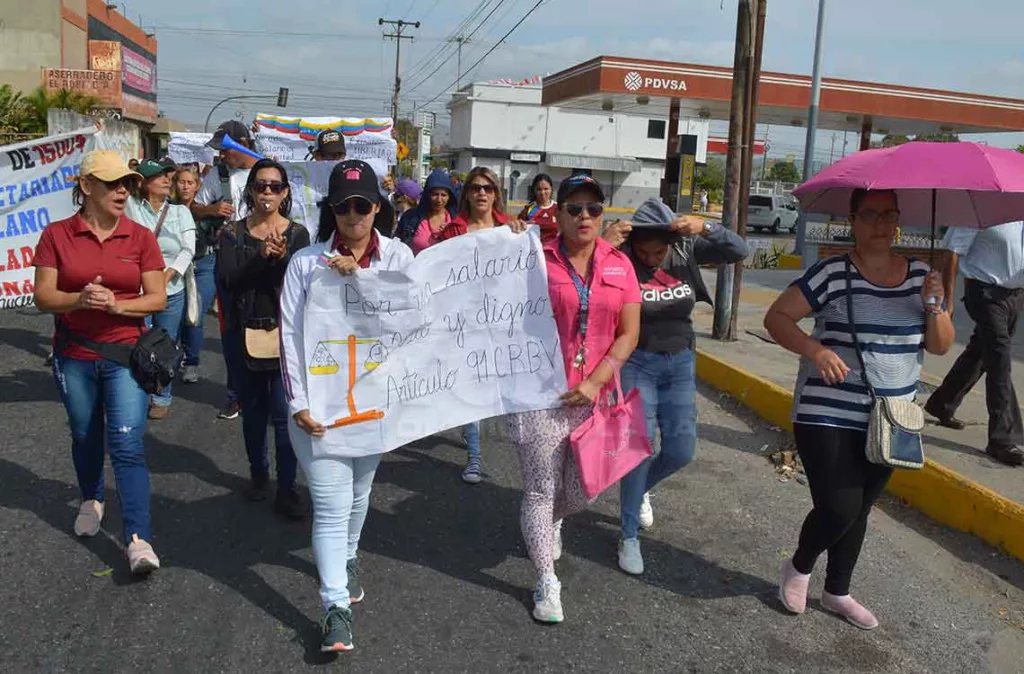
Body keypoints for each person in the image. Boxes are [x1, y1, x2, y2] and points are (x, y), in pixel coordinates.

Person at [764, 189, 954, 630]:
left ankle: (837, 591)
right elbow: (777, 317)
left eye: (889, 215)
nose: (881, 225)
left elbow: (941, 345)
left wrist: (935, 305)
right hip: (827, 411)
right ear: (852, 220)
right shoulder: (832, 272)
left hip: (892, 417)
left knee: (862, 507)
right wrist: (815, 351)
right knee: (840, 505)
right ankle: (800, 564)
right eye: (870, 215)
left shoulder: (921, 276)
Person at [280, 159, 415, 653]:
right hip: (320, 410)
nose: (353, 214)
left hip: (377, 405)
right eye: (343, 206)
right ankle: (334, 607)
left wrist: (360, 277)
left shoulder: (398, 257)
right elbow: (290, 338)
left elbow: (413, 315)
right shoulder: (305, 263)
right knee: (332, 507)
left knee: (361, 490)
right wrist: (297, 401)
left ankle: (350, 555)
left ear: (377, 209)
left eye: (362, 205)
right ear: (331, 210)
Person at [507, 174, 641, 623]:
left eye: (594, 209)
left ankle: (549, 521)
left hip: (594, 397)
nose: (585, 216)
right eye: (575, 208)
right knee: (541, 490)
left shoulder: (620, 265)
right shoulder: (534, 260)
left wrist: (596, 381)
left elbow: (629, 334)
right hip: (539, 396)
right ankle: (546, 580)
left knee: (582, 491)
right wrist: (504, 246)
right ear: (558, 214)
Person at [33, 150, 167, 575]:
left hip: (125, 353)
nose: (122, 191)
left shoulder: (140, 236)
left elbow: (158, 298)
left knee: (126, 443)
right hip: (74, 355)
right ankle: (91, 496)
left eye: (126, 183)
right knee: (85, 432)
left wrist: (117, 305)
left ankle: (138, 539)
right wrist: (79, 299)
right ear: (86, 186)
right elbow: (43, 297)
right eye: (112, 184)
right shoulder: (57, 235)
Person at [602, 197, 748, 575]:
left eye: (659, 251)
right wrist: (605, 242)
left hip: (680, 362)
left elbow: (739, 250)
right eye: (645, 251)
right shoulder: (620, 259)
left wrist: (706, 227)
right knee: (640, 448)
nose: (652, 258)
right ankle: (628, 533)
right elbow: (584, 273)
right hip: (638, 363)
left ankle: (639, 488)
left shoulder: (685, 248)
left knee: (682, 450)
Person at [217, 158, 310, 519]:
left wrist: (283, 259)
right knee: (253, 414)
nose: (267, 192)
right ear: (250, 191)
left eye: (275, 186)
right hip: (243, 336)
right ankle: (259, 474)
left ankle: (287, 488)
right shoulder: (231, 233)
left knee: (286, 415)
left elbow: (301, 288)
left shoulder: (298, 234)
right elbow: (228, 280)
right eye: (260, 185)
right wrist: (261, 256)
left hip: (286, 337)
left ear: (285, 192)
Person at [435, 166, 512, 482]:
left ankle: (474, 436)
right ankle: (475, 456)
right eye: (476, 187)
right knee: (471, 387)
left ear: (496, 194)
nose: (482, 193)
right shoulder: (453, 232)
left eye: (489, 188)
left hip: (500, 320)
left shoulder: (511, 231)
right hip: (463, 322)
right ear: (466, 193)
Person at [925, 221, 1024, 466]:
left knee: (981, 354)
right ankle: (1002, 439)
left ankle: (942, 404)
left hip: (1014, 296)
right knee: (999, 359)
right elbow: (952, 252)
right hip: (984, 293)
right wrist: (947, 298)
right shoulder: (979, 211)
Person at [188, 120, 258, 419]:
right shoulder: (218, 175)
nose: (222, 156)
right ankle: (235, 395)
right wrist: (211, 210)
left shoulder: (269, 173)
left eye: (226, 150)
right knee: (230, 331)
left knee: (263, 328)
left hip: (263, 260)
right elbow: (194, 206)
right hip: (227, 259)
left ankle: (264, 392)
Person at [125, 159, 196, 419]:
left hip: (172, 289)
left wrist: (165, 278)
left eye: (168, 176)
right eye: (158, 177)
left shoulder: (180, 212)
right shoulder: (131, 208)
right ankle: (135, 393)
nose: (167, 180)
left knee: (165, 341)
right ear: (143, 183)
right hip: (137, 289)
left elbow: (188, 248)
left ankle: (162, 394)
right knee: (136, 340)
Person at [394, 168, 458, 253]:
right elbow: (397, 248)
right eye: (435, 194)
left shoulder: (456, 220)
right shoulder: (410, 218)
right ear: (427, 195)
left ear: (449, 197)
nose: (439, 199)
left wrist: (451, 233)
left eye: (443, 195)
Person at [516, 173, 558, 243]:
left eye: (546, 189)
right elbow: (518, 231)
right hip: (533, 251)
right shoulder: (529, 210)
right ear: (534, 190)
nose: (542, 192)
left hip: (554, 250)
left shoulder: (558, 209)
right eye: (539, 189)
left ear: (551, 189)